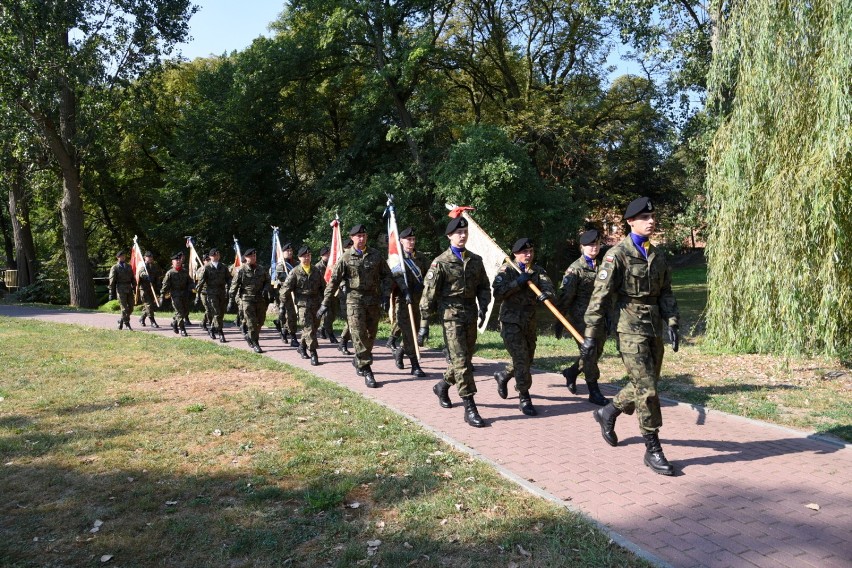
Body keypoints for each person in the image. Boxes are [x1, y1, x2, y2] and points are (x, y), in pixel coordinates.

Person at [581, 196, 680, 476]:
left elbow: (666, 292)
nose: (651, 222)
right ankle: (653, 448)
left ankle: (608, 412)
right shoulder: (617, 255)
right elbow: (599, 297)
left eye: (653, 217)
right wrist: (590, 334)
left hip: (653, 329)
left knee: (645, 384)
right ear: (630, 222)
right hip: (630, 328)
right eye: (645, 218)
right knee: (647, 390)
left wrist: (672, 320)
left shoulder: (657, 255)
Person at [419, 216, 491, 427]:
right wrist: (424, 325)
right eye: (458, 233)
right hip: (451, 316)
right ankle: (470, 406)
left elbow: (484, 286)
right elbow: (429, 294)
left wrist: (484, 305)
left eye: (465, 232)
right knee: (461, 362)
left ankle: (442, 386)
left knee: (464, 359)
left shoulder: (475, 260)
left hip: (469, 313)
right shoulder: (440, 262)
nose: (462, 236)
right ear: (449, 236)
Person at [318, 224, 407, 387]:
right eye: (358, 236)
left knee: (370, 336)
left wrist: (386, 295)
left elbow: (387, 276)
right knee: (358, 334)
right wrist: (325, 302)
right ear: (352, 238)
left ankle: (359, 359)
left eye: (363, 235)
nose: (361, 238)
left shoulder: (375, 255)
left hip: (373, 301)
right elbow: (334, 282)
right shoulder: (345, 258)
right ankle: (367, 368)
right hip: (354, 301)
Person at [492, 238, 556, 416]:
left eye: (530, 252)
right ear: (515, 254)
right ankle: (524, 396)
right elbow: (497, 292)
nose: (528, 255)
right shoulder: (507, 270)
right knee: (521, 359)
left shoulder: (537, 271)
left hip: (529, 322)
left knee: (527, 359)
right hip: (511, 322)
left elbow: (549, 287)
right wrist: (517, 283)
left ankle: (503, 375)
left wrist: (545, 295)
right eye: (524, 252)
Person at [555, 229, 610, 406]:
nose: (594, 247)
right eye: (590, 245)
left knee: (596, 351)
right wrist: (559, 319)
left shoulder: (603, 266)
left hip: (599, 318)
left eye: (597, 244)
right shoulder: (575, 269)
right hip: (582, 319)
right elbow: (565, 296)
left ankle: (571, 372)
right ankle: (593, 390)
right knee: (590, 352)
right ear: (582, 247)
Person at [389, 227, 428, 377]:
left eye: (413, 239)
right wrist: (404, 289)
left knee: (414, 330)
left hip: (419, 300)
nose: (411, 242)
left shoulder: (421, 257)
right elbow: (393, 277)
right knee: (409, 333)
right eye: (408, 240)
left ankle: (400, 351)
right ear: (401, 241)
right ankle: (415, 365)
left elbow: (429, 274)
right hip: (404, 301)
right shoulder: (396, 259)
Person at [282, 246, 325, 365]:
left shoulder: (316, 270)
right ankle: (313, 353)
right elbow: (285, 289)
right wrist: (283, 305)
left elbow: (323, 287)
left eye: (309, 255)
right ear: (299, 258)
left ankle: (302, 346)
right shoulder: (295, 272)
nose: (307, 258)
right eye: (304, 256)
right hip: (303, 305)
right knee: (309, 329)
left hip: (316, 304)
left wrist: (325, 303)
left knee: (313, 328)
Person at [228, 248, 273, 353]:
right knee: (251, 322)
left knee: (260, 321)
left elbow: (268, 281)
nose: (253, 258)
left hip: (260, 299)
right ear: (246, 258)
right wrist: (231, 300)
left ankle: (250, 336)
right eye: (251, 256)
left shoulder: (261, 269)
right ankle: (255, 342)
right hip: (247, 300)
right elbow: (234, 286)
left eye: (254, 256)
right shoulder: (241, 271)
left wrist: (266, 289)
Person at [198, 248, 231, 343]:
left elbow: (228, 278)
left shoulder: (223, 267)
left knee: (221, 313)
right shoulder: (206, 268)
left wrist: (231, 287)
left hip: (221, 292)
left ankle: (212, 329)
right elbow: (201, 282)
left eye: (218, 254)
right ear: (211, 256)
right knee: (216, 313)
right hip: (211, 293)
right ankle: (221, 333)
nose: (216, 256)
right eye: (214, 255)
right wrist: (197, 295)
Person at [159, 252, 193, 336]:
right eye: (176, 260)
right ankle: (182, 329)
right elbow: (165, 285)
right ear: (172, 262)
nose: (178, 261)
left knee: (185, 312)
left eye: (179, 260)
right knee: (180, 312)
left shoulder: (184, 271)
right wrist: (162, 296)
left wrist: (192, 286)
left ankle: (174, 322)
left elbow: (190, 281)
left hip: (184, 294)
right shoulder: (170, 273)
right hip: (175, 295)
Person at [274, 242, 299, 347]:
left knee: (292, 316)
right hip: (285, 293)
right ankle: (293, 337)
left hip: (296, 293)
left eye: (291, 251)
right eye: (287, 251)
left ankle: (284, 331)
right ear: (282, 253)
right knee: (290, 315)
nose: (289, 252)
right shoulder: (280, 266)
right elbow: (281, 278)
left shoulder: (297, 263)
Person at [314, 245, 338, 343]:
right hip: (322, 294)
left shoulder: (333, 265)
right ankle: (331, 334)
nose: (328, 256)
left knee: (333, 314)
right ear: (321, 256)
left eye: (329, 254)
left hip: (333, 293)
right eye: (325, 254)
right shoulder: (317, 267)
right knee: (327, 314)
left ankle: (323, 328)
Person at [108, 250, 136, 330]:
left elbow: (132, 278)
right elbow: (112, 280)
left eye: (124, 256)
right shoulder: (115, 267)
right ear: (118, 257)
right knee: (124, 308)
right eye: (121, 256)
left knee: (131, 307)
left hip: (129, 288)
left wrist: (134, 286)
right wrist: (111, 292)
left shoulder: (128, 266)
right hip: (120, 288)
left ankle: (121, 320)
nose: (123, 257)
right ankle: (127, 323)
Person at [336, 237, 354, 355]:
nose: (349, 249)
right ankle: (343, 342)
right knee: (350, 320)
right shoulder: (341, 259)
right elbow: (336, 277)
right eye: (347, 247)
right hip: (344, 295)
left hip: (357, 295)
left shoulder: (357, 257)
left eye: (350, 247)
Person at [138, 251, 162, 328]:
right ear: (145, 257)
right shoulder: (142, 265)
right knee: (149, 305)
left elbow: (157, 277)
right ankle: (152, 321)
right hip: (144, 289)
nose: (150, 258)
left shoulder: (154, 266)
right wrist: (147, 277)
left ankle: (142, 318)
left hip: (152, 289)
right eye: (148, 257)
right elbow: (141, 273)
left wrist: (158, 287)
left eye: (151, 257)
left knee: (149, 306)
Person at [195, 254, 212, 331]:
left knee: (211, 308)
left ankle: (203, 322)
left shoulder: (212, 268)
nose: (208, 261)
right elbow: (199, 283)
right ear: (203, 261)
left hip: (212, 292)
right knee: (208, 309)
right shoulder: (200, 270)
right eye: (207, 260)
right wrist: (197, 295)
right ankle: (211, 324)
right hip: (203, 292)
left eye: (209, 259)